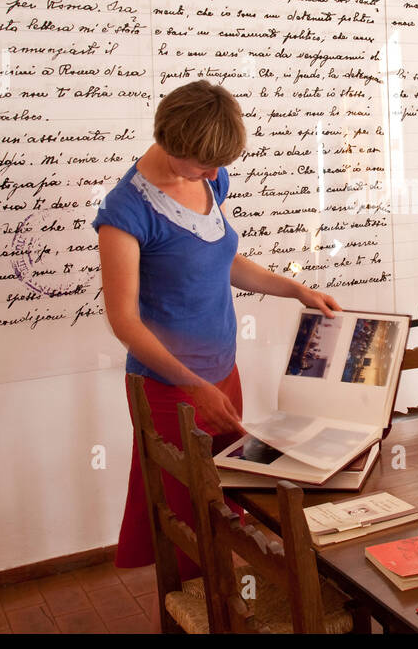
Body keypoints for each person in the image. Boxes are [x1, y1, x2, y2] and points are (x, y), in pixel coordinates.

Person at [93, 80, 340, 572]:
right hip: (169, 386)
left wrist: (294, 288)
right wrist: (193, 385)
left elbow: (222, 259)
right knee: (192, 514)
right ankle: (202, 612)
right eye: (203, 165)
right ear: (170, 145)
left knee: (224, 496)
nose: (214, 174)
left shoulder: (210, 177)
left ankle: (227, 607)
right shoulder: (125, 212)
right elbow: (123, 321)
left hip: (220, 372)